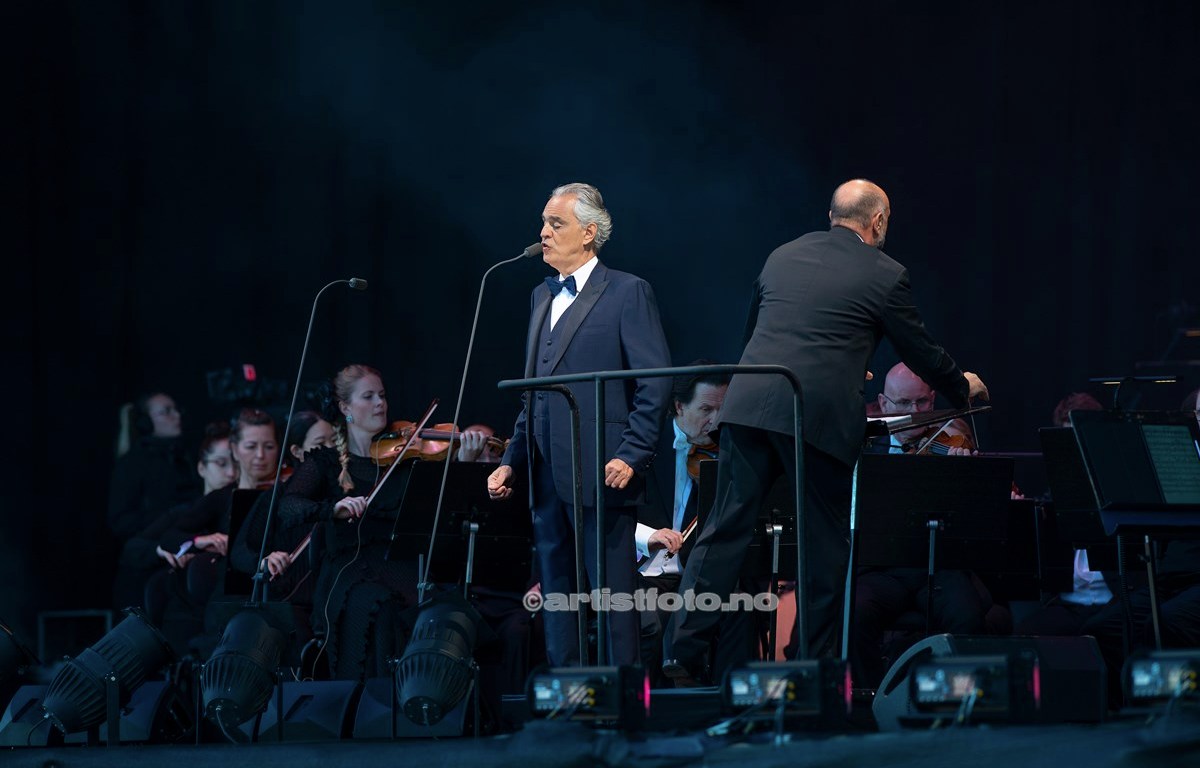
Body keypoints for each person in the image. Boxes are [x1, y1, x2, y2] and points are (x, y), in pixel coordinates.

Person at [664, 179, 988, 683]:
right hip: (815, 417)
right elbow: (919, 351)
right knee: (823, 547)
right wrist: (962, 387)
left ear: (831, 214)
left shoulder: (781, 255)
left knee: (723, 529)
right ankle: (812, 670)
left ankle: (679, 650)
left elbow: (756, 337)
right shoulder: (886, 273)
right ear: (877, 222)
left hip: (751, 404)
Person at [487, 182, 672, 667]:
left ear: (589, 232)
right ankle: (567, 698)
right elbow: (535, 392)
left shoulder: (628, 292)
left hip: (602, 468)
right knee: (557, 594)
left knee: (613, 596)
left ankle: (626, 695)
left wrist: (632, 453)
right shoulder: (538, 298)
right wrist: (512, 460)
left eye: (556, 224)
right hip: (547, 473)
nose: (543, 233)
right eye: (544, 223)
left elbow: (655, 385)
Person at [851, 363, 998, 688]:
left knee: (967, 615)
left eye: (922, 403)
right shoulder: (864, 443)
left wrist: (965, 477)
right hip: (883, 571)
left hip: (939, 567)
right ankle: (870, 698)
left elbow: (977, 518)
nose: (915, 412)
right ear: (884, 403)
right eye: (903, 403)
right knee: (854, 611)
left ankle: (961, 697)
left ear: (933, 400)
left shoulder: (952, 437)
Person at [278, 365, 421, 680]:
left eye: (382, 396)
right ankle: (371, 707)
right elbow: (288, 506)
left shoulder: (405, 459)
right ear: (345, 408)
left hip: (400, 567)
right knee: (376, 606)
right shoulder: (325, 462)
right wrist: (333, 509)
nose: (380, 404)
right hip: (349, 574)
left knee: (433, 608)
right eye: (368, 397)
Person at [634, 363, 755, 686]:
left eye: (721, 409)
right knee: (651, 623)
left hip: (698, 574)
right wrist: (649, 536)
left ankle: (724, 705)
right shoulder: (642, 446)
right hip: (646, 571)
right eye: (705, 409)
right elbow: (608, 512)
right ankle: (650, 711)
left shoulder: (727, 451)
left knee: (741, 610)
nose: (715, 420)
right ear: (678, 406)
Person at [115, 422, 237, 612]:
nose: (231, 473)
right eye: (221, 464)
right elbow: (132, 549)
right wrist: (162, 550)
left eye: (237, 464)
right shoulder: (183, 513)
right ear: (201, 468)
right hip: (184, 608)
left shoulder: (238, 511)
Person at [107, 392, 201, 557]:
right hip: (151, 552)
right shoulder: (132, 464)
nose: (176, 415)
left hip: (186, 545)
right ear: (146, 423)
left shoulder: (185, 456)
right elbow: (121, 522)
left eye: (176, 410)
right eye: (166, 411)